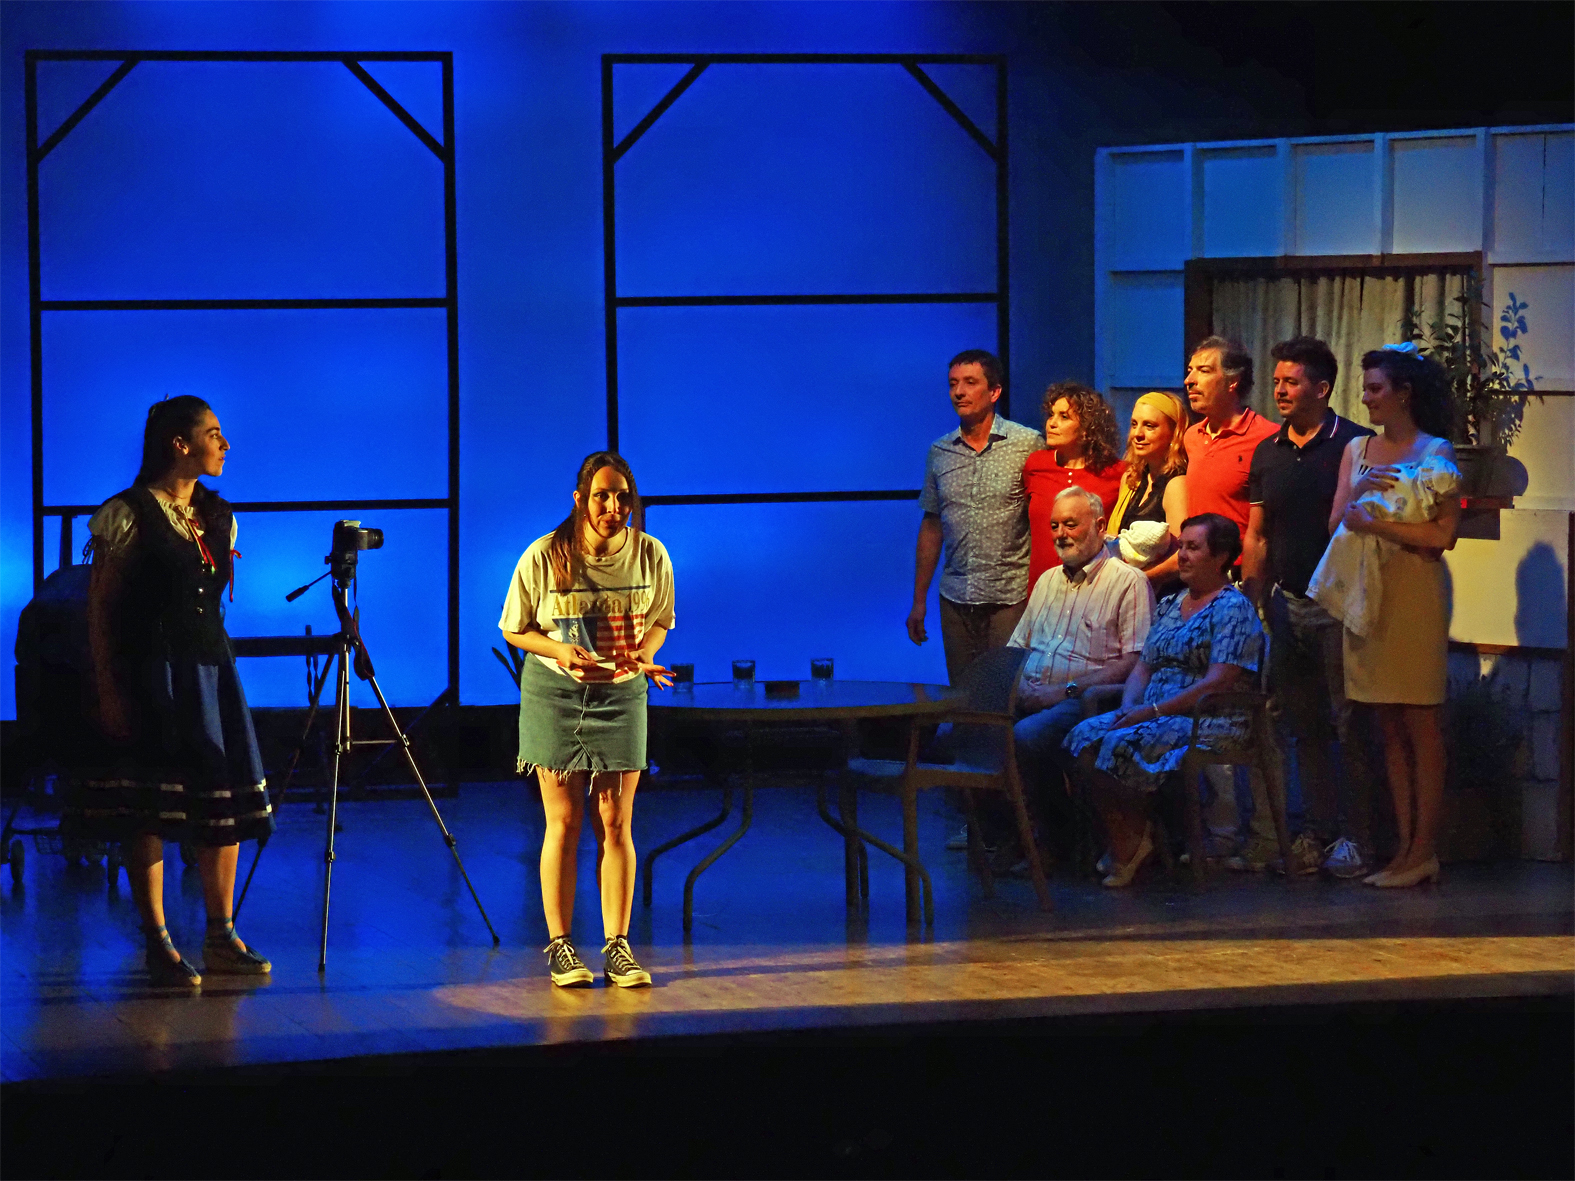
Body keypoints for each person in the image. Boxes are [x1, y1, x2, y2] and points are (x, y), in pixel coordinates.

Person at [63, 396, 273, 987]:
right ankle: (158, 940)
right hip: (149, 675)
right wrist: (108, 687)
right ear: (181, 444)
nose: (224, 445)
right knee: (149, 805)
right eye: (214, 434)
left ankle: (220, 934)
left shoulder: (217, 513)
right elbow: (100, 609)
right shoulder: (127, 513)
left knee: (221, 801)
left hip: (208, 673)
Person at [500, 452, 675, 986]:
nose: (613, 506)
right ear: (580, 500)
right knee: (565, 821)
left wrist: (642, 658)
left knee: (616, 821)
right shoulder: (546, 555)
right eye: (602, 495)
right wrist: (559, 650)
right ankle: (559, 946)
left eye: (622, 496)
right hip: (556, 690)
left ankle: (617, 945)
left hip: (622, 695)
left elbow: (660, 620)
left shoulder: (650, 555)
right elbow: (513, 629)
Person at [1307, 345, 1460, 889]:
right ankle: (1401, 850)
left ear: (1403, 393)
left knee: (1420, 721)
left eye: (1375, 388)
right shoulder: (1356, 450)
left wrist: (1379, 526)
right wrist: (1357, 505)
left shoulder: (1435, 453)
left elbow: (1442, 537)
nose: (1367, 397)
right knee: (1386, 725)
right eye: (1366, 388)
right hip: (1367, 594)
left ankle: (1424, 849)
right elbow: (1336, 524)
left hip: (1415, 593)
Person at [1064, 514, 1264, 887]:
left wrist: (1151, 711)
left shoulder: (1232, 608)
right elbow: (1144, 664)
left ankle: (1132, 844)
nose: (1183, 556)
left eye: (1193, 548)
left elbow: (1219, 681)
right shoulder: (1172, 603)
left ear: (1220, 557)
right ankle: (1133, 837)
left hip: (1210, 717)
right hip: (1153, 712)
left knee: (1122, 740)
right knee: (1083, 736)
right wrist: (1129, 705)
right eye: (1182, 546)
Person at [1242, 337, 1377, 879]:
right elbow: (1257, 531)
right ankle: (1317, 832)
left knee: (1352, 723)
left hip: (1340, 606)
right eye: (1276, 381)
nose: (1280, 390)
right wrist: (1255, 595)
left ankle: (1360, 838)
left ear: (1322, 389)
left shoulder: (1356, 446)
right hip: (1286, 604)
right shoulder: (1269, 450)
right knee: (1304, 725)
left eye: (1291, 382)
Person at [1003, 486, 1154, 865]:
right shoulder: (1047, 581)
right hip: (1032, 693)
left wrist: (1063, 691)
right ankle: (1011, 837)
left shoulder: (1128, 581)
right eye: (1055, 526)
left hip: (1087, 700)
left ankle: (1055, 841)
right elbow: (1017, 646)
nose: (1060, 534)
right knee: (975, 729)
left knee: (1028, 736)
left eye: (1071, 524)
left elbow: (1135, 660)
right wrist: (1020, 685)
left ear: (1100, 526)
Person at [1181, 337, 1280, 866]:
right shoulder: (1191, 438)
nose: (1191, 381)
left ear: (1233, 380)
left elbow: (1264, 527)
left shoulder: (1266, 438)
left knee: (1252, 716)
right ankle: (1217, 833)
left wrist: (1254, 592)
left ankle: (1267, 834)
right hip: (1191, 595)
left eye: (1203, 371)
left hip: (1242, 597)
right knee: (1198, 704)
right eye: (1190, 371)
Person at [908, 349, 1043, 682]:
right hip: (956, 596)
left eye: (970, 383)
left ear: (994, 391)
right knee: (962, 695)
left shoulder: (1027, 444)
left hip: (1008, 596)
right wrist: (918, 600)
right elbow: (932, 525)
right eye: (953, 383)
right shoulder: (940, 451)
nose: (959, 392)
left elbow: (1042, 517)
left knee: (1002, 696)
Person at [1022, 382, 1125, 590]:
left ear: (1087, 429)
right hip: (1042, 590)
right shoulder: (1036, 464)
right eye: (1051, 415)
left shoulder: (1116, 472)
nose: (1051, 423)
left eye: (1064, 417)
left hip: (1095, 588)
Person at [1106, 391, 1190, 592]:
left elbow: (1180, 557)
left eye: (1149, 426)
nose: (1138, 434)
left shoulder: (1176, 483)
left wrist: (1136, 582)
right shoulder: (1132, 477)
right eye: (1134, 424)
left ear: (1174, 433)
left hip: (1161, 597)